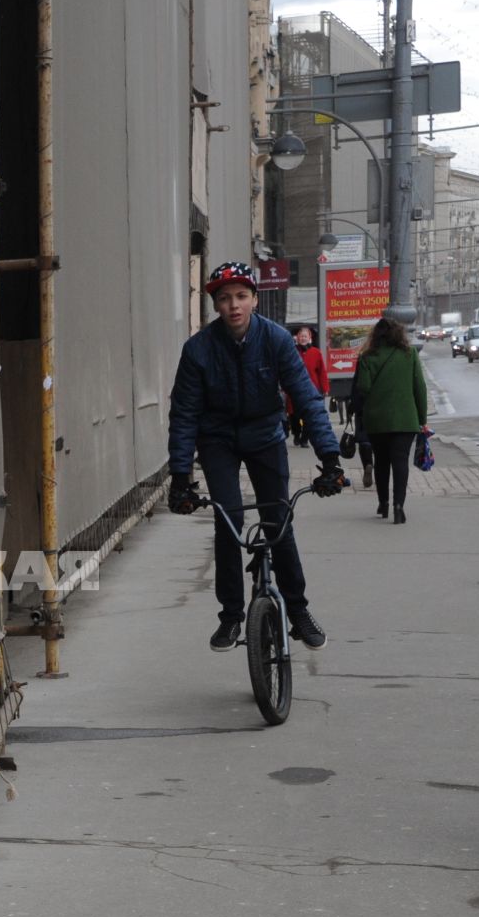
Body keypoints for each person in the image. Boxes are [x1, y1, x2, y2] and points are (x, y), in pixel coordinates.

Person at [168, 261, 343, 652]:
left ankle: (297, 611)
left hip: (265, 436)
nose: (234, 306)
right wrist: (180, 477)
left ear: (254, 300)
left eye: (242, 297)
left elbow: (306, 397)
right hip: (217, 441)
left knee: (278, 519)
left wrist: (330, 459)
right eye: (226, 298)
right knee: (228, 520)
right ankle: (231, 616)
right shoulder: (198, 350)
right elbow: (184, 414)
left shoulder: (276, 340)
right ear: (215, 304)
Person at [349, 317, 428, 524]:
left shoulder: (367, 356)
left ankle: (383, 503)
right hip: (405, 419)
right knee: (400, 462)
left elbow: (363, 387)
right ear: (398, 334)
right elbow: (419, 387)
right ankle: (398, 506)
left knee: (381, 462)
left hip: (377, 420)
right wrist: (422, 418)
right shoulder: (409, 354)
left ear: (375, 336)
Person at [291, 325, 330, 449]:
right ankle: (296, 433)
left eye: (305, 336)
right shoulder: (292, 351)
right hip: (294, 389)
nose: (303, 338)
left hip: (312, 389)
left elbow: (322, 372)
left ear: (310, 338)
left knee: (310, 415)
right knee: (294, 415)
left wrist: (325, 388)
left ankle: (304, 439)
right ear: (297, 338)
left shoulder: (316, 352)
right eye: (301, 336)